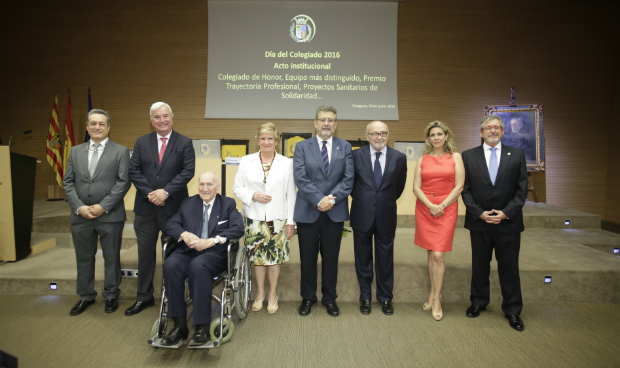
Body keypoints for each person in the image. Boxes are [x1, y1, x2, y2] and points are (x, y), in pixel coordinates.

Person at [125, 102, 195, 316]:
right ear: (152, 120)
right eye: (157, 117)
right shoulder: (141, 142)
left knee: (173, 257)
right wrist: (152, 194)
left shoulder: (184, 142)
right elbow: (134, 171)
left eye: (165, 116)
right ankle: (144, 298)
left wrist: (165, 192)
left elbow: (187, 172)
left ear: (172, 118)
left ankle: (173, 298)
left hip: (173, 208)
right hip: (145, 209)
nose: (162, 120)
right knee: (144, 255)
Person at [161, 171, 244, 346]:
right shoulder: (188, 203)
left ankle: (201, 327)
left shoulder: (227, 204)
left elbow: (238, 228)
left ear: (217, 186)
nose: (205, 188)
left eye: (209, 184)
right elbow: (170, 224)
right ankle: (179, 326)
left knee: (198, 266)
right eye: (201, 184)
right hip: (189, 251)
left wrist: (212, 241)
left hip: (215, 254)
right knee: (170, 265)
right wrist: (184, 234)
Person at [462, 115, 528, 331]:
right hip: (479, 221)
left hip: (508, 223)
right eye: (488, 128)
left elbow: (521, 191)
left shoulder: (517, 155)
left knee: (509, 268)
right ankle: (478, 302)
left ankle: (512, 310)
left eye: (496, 127)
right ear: (481, 132)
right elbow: (466, 190)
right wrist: (479, 213)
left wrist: (505, 213)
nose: (492, 131)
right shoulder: (468, 156)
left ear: (502, 131)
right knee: (479, 265)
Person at [63, 109, 131, 316]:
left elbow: (123, 182)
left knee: (111, 258)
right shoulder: (75, 152)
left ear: (108, 127)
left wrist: (103, 205)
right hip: (81, 216)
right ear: (87, 127)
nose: (97, 127)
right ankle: (86, 296)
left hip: (110, 216)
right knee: (83, 258)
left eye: (101, 124)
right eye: (93, 123)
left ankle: (111, 295)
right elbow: (68, 183)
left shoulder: (120, 151)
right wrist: (79, 207)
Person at [293, 105, 354, 317]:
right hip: (309, 210)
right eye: (322, 119)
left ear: (336, 124)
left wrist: (330, 201)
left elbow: (348, 180)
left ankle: (330, 299)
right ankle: (308, 298)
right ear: (315, 123)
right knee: (307, 258)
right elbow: (300, 178)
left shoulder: (345, 147)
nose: (326, 123)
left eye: (330, 120)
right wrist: (319, 200)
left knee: (331, 258)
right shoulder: (302, 147)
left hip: (334, 212)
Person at [232, 122, 296, 315]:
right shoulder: (246, 161)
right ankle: (260, 293)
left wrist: (292, 222)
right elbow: (237, 188)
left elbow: (291, 194)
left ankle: (272, 294)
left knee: (274, 258)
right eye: (263, 138)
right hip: (254, 218)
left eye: (270, 138)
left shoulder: (287, 163)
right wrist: (253, 195)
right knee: (257, 258)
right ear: (257, 140)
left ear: (276, 141)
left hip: (278, 218)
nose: (266, 142)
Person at [350, 121, 407, 316]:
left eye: (382, 133)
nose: (379, 137)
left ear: (388, 135)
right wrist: (365, 200)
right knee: (363, 259)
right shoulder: (355, 155)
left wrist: (383, 200)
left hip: (386, 215)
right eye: (374, 134)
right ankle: (365, 296)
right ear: (367, 136)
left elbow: (398, 188)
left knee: (385, 259)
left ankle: (385, 298)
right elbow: (351, 185)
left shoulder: (399, 157)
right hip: (361, 214)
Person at [413, 121, 464, 321]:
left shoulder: (456, 158)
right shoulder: (422, 159)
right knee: (431, 253)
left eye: (439, 134)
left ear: (446, 136)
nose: (436, 138)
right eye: (432, 135)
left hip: (447, 208)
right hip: (426, 208)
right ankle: (433, 293)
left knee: (438, 254)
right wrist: (430, 206)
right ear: (428, 138)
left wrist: (441, 206)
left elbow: (459, 186)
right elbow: (416, 188)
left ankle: (436, 299)